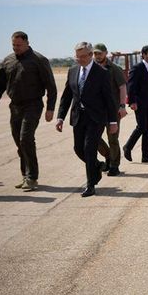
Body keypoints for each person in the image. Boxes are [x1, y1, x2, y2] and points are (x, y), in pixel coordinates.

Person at [0, 31, 57, 191]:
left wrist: (50, 108)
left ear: (27, 43)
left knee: (26, 138)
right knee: (19, 142)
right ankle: (25, 175)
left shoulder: (39, 60)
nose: (16, 48)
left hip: (33, 105)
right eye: (13, 45)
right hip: (15, 106)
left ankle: (32, 177)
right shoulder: (8, 60)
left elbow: (51, 86)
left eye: (19, 45)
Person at [55, 42, 118, 197]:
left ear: (90, 55)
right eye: (77, 57)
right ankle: (97, 166)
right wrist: (60, 117)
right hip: (78, 116)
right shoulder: (73, 71)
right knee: (78, 149)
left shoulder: (102, 73)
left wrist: (113, 121)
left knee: (89, 149)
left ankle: (91, 185)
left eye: (83, 56)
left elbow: (109, 99)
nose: (80, 59)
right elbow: (67, 96)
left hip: (96, 118)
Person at [92, 43, 128, 176]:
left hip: (112, 110)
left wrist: (122, 106)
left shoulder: (114, 69)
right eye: (95, 53)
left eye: (100, 53)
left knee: (112, 138)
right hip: (97, 110)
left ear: (105, 53)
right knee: (93, 137)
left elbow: (122, 87)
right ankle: (108, 156)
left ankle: (114, 165)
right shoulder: (92, 68)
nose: (97, 56)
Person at [124, 45, 148, 163]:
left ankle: (145, 155)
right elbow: (131, 86)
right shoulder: (137, 68)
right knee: (142, 127)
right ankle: (127, 147)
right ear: (144, 55)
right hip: (139, 103)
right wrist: (132, 101)